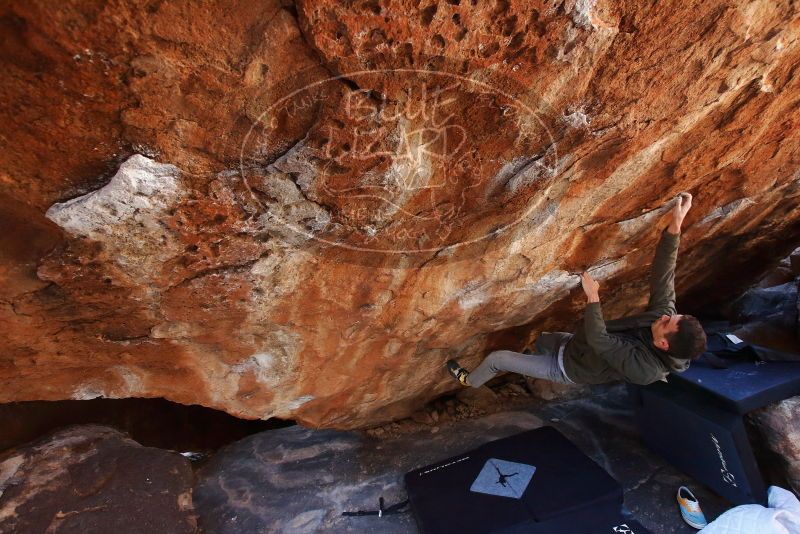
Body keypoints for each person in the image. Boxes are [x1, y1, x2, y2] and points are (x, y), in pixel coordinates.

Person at [447, 193, 707, 389]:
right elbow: (664, 275)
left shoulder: (646, 370)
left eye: (666, 322)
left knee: (498, 358)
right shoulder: (663, 319)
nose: (664, 316)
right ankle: (528, 366)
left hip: (567, 367)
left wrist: (593, 297)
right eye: (671, 315)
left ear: (663, 343)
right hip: (573, 343)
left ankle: (469, 381)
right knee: (541, 339)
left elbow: (601, 340)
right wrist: (676, 226)